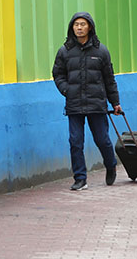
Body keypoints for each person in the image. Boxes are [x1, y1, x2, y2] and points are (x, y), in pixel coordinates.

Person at [51, 12, 123, 191]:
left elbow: (109, 79)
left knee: (102, 140)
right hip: (74, 104)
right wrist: (66, 90)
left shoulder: (101, 51)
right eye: (76, 25)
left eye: (83, 24)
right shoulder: (65, 51)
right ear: (72, 28)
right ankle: (80, 178)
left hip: (96, 103)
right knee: (75, 142)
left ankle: (111, 165)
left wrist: (115, 102)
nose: (79, 28)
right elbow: (57, 74)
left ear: (89, 27)